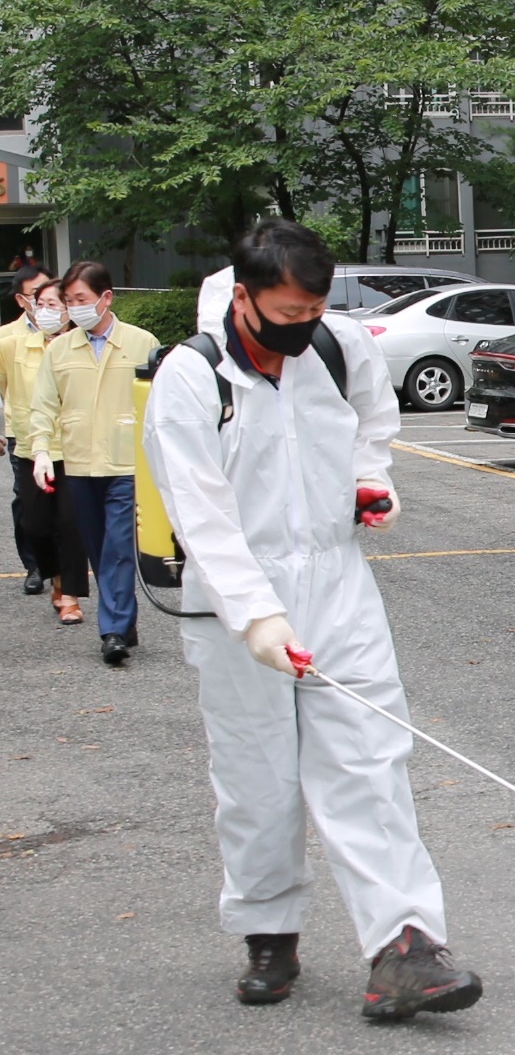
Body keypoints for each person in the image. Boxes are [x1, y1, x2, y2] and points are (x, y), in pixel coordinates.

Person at [143, 219, 482, 1019]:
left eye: (313, 312)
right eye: (285, 315)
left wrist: (372, 483)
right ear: (241, 297)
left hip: (337, 583)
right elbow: (200, 511)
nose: (301, 329)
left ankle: (406, 947)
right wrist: (257, 618)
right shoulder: (191, 377)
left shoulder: (337, 345)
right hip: (233, 597)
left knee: (371, 759)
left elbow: (373, 425)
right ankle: (269, 932)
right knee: (258, 776)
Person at [28, 261, 158, 665]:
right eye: (69, 301)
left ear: (106, 298)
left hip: (125, 465)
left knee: (119, 546)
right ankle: (124, 618)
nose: (74, 307)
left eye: (81, 299)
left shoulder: (142, 343)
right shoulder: (60, 349)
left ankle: (114, 630)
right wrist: (41, 451)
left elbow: (162, 405)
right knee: (99, 548)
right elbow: (43, 406)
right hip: (79, 464)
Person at [2, 275, 88, 622]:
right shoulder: (12, 344)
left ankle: (69, 595)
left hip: (75, 449)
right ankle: (53, 576)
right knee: (35, 524)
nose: (47, 311)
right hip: (30, 446)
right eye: (42, 304)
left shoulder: (83, 346)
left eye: (55, 304)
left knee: (70, 522)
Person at [3, 263, 51, 593]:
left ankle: (65, 571)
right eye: (37, 294)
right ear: (22, 300)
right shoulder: (6, 338)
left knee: (66, 506)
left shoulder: (69, 333)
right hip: (22, 431)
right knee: (27, 502)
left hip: (66, 433)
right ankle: (34, 565)